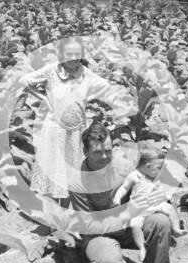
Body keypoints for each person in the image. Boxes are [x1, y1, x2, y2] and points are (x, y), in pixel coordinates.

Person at [68, 122, 173, 263]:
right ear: (85, 152)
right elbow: (89, 226)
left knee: (161, 222)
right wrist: (125, 215)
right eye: (97, 152)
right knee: (108, 262)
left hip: (128, 229)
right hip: (98, 235)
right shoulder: (77, 183)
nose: (104, 157)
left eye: (108, 151)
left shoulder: (124, 167)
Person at [20, 37, 123, 203]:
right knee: (53, 170)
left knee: (73, 172)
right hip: (54, 129)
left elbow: (106, 86)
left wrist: (87, 99)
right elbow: (24, 81)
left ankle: (68, 212)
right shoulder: (52, 70)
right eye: (69, 53)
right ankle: (51, 214)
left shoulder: (86, 74)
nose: (74, 57)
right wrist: (44, 99)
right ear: (61, 55)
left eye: (78, 54)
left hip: (77, 131)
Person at [112, 146, 183, 261]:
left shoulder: (157, 176)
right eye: (159, 168)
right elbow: (124, 188)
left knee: (170, 208)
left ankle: (176, 229)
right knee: (135, 226)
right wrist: (117, 198)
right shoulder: (134, 176)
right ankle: (142, 247)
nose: (161, 171)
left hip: (155, 206)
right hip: (138, 211)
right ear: (148, 166)